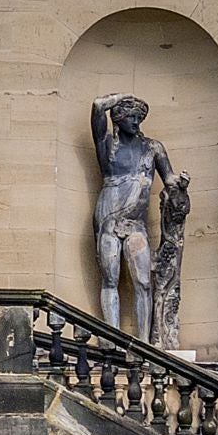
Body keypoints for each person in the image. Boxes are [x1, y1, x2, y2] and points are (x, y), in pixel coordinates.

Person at [90, 95, 181, 339]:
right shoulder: (107, 146)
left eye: (140, 117)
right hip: (109, 218)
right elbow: (98, 106)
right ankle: (112, 338)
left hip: (136, 223)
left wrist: (180, 183)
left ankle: (144, 344)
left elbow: (169, 178)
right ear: (118, 119)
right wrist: (121, 98)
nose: (136, 122)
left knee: (143, 281)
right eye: (131, 116)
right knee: (110, 279)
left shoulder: (153, 148)